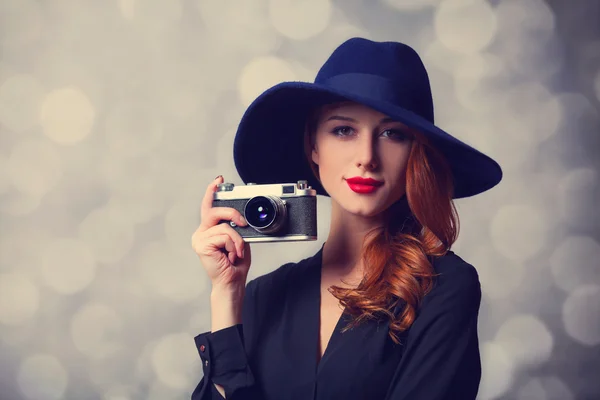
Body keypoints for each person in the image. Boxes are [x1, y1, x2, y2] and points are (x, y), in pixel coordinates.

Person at [190, 37, 502, 400]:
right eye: (343, 130)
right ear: (313, 146)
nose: (367, 156)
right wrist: (226, 296)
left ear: (417, 153)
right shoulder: (262, 296)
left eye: (392, 134)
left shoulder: (443, 288)